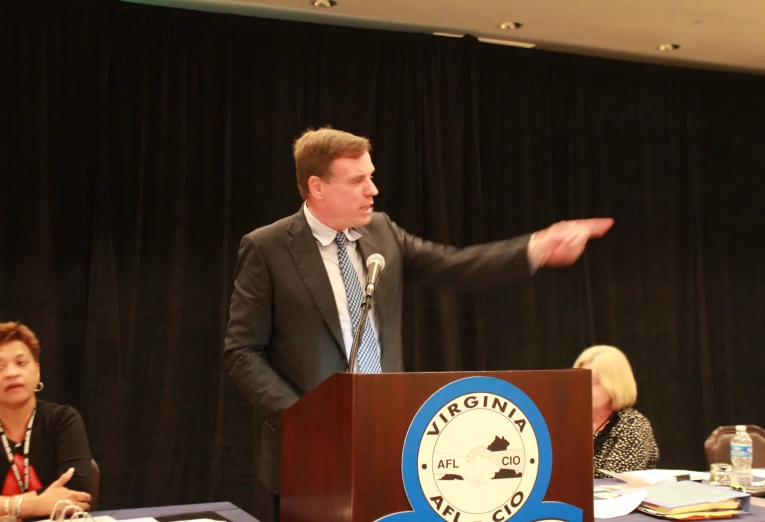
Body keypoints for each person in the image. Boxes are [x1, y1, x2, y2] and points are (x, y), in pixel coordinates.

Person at [223, 127, 614, 519]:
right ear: (317, 186)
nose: (372, 190)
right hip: (310, 452)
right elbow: (242, 351)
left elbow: (455, 265)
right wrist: (300, 418)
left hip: (390, 439)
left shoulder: (382, 231)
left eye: (371, 176)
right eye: (358, 180)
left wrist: (535, 248)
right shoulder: (268, 247)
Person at [0, 322, 93, 519]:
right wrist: (34, 504)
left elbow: (76, 491)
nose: (11, 373)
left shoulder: (63, 419)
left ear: (37, 371)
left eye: (21, 363)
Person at [573, 345, 659, 477]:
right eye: (580, 379)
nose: (584, 387)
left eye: (595, 381)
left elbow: (614, 481)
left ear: (616, 384)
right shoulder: (568, 421)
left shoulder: (633, 425)